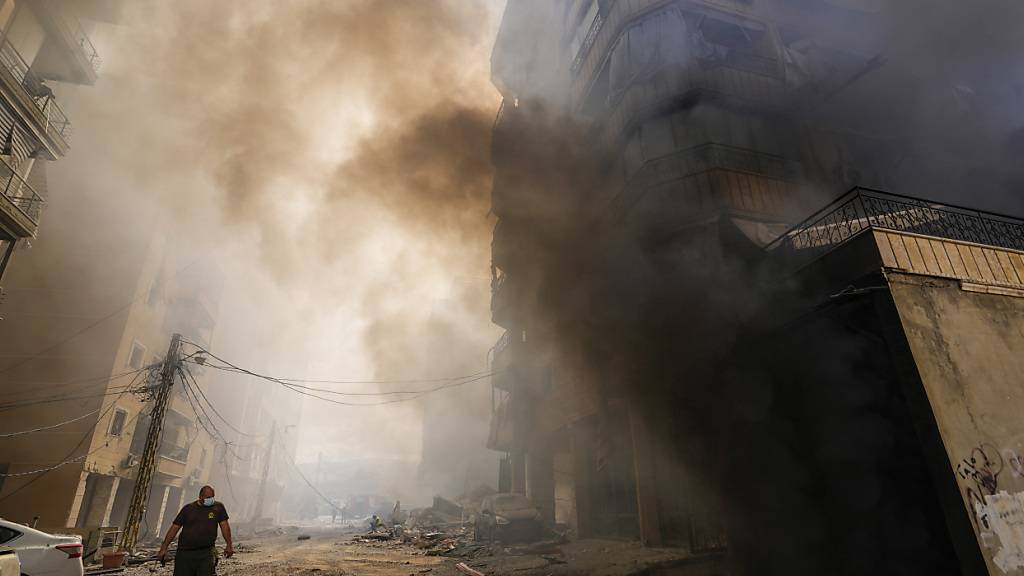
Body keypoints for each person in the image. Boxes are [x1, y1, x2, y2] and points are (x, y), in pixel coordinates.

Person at [157, 485, 234, 576]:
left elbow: (225, 527)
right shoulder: (188, 509)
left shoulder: (218, 508)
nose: (211, 500)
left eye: (213, 497)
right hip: (185, 553)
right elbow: (174, 528)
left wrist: (229, 545)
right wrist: (164, 547)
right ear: (200, 497)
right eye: (208, 497)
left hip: (207, 552)